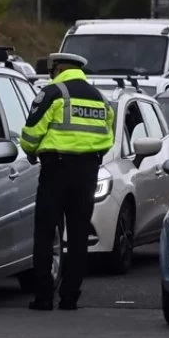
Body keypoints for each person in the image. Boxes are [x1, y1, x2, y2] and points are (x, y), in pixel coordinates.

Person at [20, 53, 115, 311]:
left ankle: (43, 297)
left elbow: (30, 134)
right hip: (88, 172)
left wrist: (31, 151)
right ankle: (70, 297)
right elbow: (108, 137)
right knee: (77, 236)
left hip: (55, 170)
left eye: (54, 70)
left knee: (45, 233)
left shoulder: (53, 93)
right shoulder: (100, 99)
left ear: (60, 68)